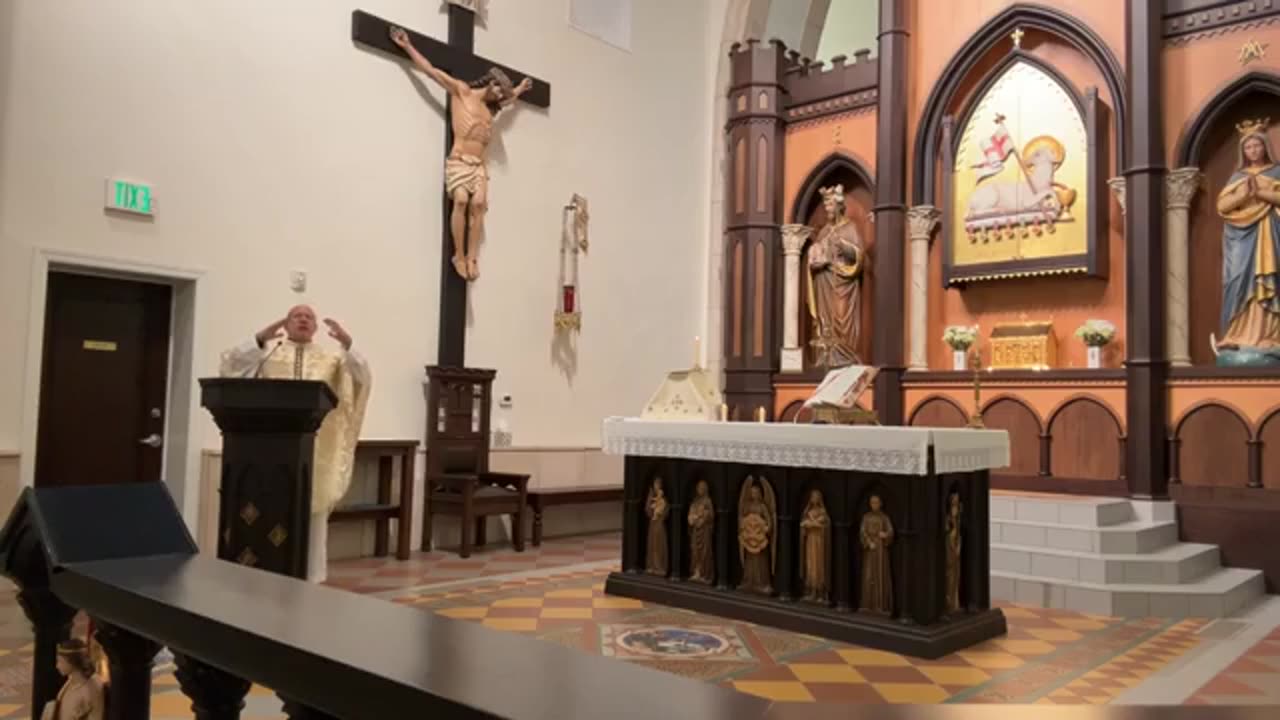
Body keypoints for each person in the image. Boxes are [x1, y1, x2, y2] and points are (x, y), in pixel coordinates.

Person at [220, 305, 371, 583]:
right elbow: (232, 364)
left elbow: (361, 378)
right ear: (285, 324)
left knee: (312, 512)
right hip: (271, 449)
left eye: (309, 317)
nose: (303, 319)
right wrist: (260, 337)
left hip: (317, 448)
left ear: (315, 328)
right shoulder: (269, 354)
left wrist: (348, 344)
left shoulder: (332, 360)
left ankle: (311, 578)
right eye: (296, 316)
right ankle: (266, 574)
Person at [390, 26, 534, 282]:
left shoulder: (490, 110)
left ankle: (472, 257)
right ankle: (459, 254)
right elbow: (431, 72)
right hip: (459, 160)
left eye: (503, 93)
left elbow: (509, 102)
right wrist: (407, 46)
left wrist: (520, 89)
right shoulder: (462, 92)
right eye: (499, 90)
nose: (500, 96)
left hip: (479, 165)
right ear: (490, 83)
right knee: (460, 201)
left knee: (478, 206)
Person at [1213, 119, 1280, 362]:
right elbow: (1222, 206)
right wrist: (1243, 194)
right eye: (1248, 147)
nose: (1253, 151)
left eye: (1256, 146)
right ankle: (1238, 334)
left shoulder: (1276, 172)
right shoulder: (1237, 177)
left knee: (1270, 281)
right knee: (1238, 280)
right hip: (1242, 239)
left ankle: (1271, 336)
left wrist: (1261, 192)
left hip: (1271, 235)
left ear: (1265, 147)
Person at [807, 185, 866, 367]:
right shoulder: (824, 230)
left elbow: (859, 255)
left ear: (839, 206)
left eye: (831, 206)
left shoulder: (850, 228)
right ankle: (827, 356)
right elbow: (817, 253)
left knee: (842, 317)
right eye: (826, 207)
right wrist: (815, 262)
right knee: (825, 319)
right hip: (823, 282)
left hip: (843, 284)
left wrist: (844, 247)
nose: (828, 211)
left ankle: (846, 356)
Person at [40, 639, 104, 720]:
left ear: (71, 662)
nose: (57, 666)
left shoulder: (91, 690)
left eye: (60, 661)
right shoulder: (72, 680)